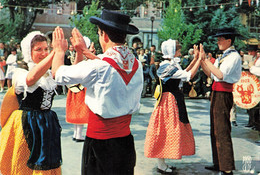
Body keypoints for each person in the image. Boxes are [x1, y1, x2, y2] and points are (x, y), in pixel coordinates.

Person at [51, 9, 143, 175]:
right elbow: (111, 66)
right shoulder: (137, 64)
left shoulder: (97, 66)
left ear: (104, 36)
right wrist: (84, 52)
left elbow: (58, 74)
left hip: (101, 143)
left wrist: (59, 51)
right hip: (125, 143)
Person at [0, 31, 62, 174]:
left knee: (46, 165)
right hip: (27, 124)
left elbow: (71, 78)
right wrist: (55, 53)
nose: (44, 53)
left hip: (47, 124)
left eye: (46, 49)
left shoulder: (49, 74)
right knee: (25, 164)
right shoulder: (20, 72)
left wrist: (79, 51)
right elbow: (31, 79)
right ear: (29, 51)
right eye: (38, 49)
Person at [144, 39, 202, 174]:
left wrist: (196, 59)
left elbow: (184, 72)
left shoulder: (170, 64)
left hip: (172, 100)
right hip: (168, 101)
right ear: (172, 51)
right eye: (178, 50)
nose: (180, 53)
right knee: (165, 131)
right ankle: (161, 165)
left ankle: (162, 163)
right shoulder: (167, 66)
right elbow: (188, 75)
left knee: (166, 130)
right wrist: (199, 59)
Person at [200, 27, 242, 175]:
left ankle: (227, 167)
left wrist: (206, 60)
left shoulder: (234, 57)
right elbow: (212, 75)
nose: (218, 41)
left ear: (229, 40)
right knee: (215, 130)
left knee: (222, 131)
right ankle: (218, 162)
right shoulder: (223, 56)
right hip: (216, 92)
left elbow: (220, 74)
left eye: (220, 39)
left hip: (224, 93)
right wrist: (201, 60)